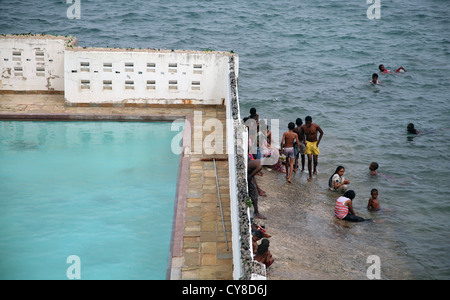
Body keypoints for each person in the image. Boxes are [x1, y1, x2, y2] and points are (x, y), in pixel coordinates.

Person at [300, 116, 324, 181]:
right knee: (310, 159)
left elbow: (321, 132)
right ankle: (310, 175)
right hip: (308, 143)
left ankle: (315, 168)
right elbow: (302, 134)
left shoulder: (315, 126)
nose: (307, 124)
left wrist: (318, 142)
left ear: (311, 122)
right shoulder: (303, 127)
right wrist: (304, 141)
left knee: (315, 161)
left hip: (315, 143)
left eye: (308, 123)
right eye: (306, 123)